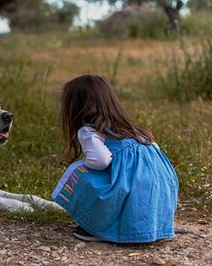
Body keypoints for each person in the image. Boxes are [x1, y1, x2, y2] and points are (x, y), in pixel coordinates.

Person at [52, 74, 178, 243]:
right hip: (160, 191)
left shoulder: (90, 131)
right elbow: (155, 155)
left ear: (75, 107)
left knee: (78, 171)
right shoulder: (134, 129)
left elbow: (101, 160)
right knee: (131, 180)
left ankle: (99, 227)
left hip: (131, 190)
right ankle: (152, 226)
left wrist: (85, 164)